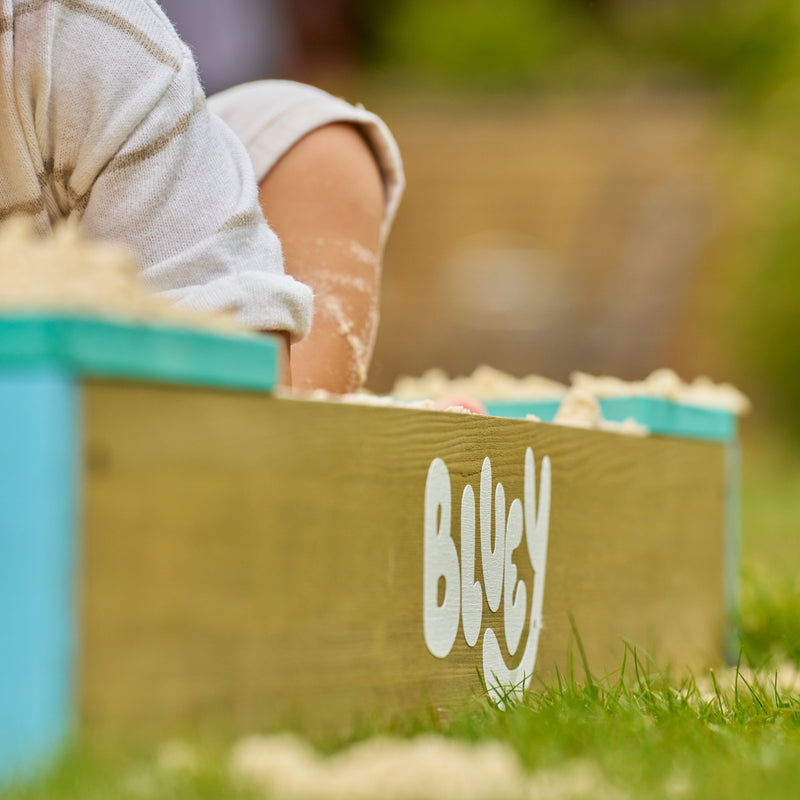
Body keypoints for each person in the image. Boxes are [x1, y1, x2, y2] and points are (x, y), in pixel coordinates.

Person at [0, 0, 404, 392]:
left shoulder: (79, 31)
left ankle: (307, 422)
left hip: (106, 321)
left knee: (321, 157)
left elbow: (240, 356)